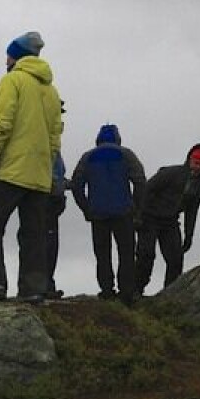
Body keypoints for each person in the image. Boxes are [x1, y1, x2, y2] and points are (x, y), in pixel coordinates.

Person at [0, 31, 63, 302]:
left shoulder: (13, 81)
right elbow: (56, 137)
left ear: (16, 56)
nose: (5, 59)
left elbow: (1, 123)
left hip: (12, 170)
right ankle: (33, 290)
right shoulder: (52, 91)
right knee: (33, 234)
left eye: (8, 54)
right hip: (40, 175)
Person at [71, 124, 146, 304]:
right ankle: (126, 292)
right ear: (117, 138)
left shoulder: (87, 157)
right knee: (126, 253)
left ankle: (106, 290)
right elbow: (140, 181)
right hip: (123, 213)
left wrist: (86, 208)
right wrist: (136, 207)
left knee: (102, 253)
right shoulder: (126, 154)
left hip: (98, 214)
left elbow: (76, 184)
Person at [135, 143, 200, 293]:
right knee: (146, 256)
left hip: (170, 222)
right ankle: (136, 291)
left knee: (176, 259)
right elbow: (147, 189)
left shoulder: (198, 187)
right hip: (149, 218)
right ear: (189, 160)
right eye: (195, 162)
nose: (197, 166)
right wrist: (138, 216)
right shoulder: (171, 173)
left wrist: (189, 236)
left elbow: (192, 212)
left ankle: (169, 294)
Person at [45, 149, 68, 298]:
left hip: (41, 199)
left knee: (37, 242)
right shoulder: (53, 151)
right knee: (49, 245)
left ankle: (39, 285)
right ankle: (46, 285)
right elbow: (59, 176)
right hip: (51, 200)